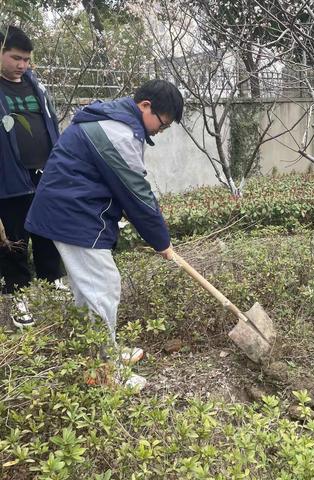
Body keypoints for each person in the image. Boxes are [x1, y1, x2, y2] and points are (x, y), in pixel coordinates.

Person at [25, 79, 184, 389]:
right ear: (145, 106)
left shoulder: (118, 121)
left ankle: (101, 352)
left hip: (76, 209)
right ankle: (105, 372)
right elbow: (137, 194)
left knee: (90, 291)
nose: (160, 132)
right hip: (74, 214)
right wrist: (161, 241)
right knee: (102, 288)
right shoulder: (118, 132)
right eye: (161, 125)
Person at [0, 25, 64, 327]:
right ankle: (19, 294)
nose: (22, 65)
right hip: (10, 178)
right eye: (16, 58)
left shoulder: (35, 84)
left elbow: (49, 122)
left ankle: (53, 282)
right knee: (15, 239)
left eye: (27, 59)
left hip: (45, 173)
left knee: (47, 231)